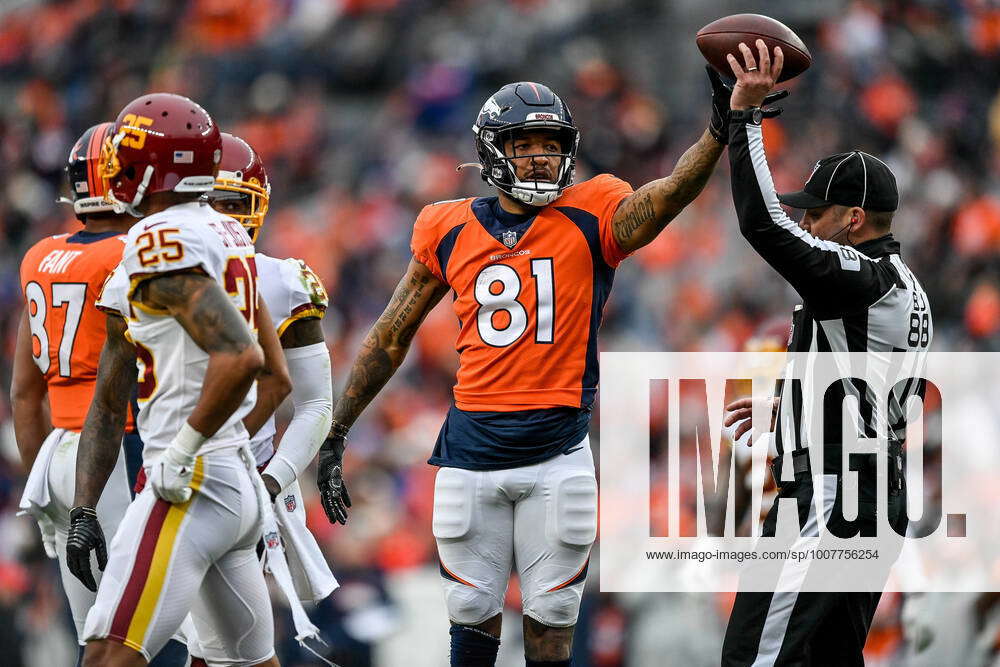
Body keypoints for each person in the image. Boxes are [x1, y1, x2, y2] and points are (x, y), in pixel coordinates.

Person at [316, 78, 782, 667]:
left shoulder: (592, 211)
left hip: (556, 453)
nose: (540, 155)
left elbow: (667, 196)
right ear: (492, 150)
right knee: (471, 626)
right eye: (525, 142)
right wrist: (339, 429)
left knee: (552, 630)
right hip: (470, 455)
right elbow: (390, 334)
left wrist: (719, 129)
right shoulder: (448, 226)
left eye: (550, 142)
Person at [719, 41, 932, 666]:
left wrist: (745, 118)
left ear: (855, 219)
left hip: (837, 491)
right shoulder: (905, 289)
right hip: (875, 489)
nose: (809, 223)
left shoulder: (862, 279)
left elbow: (762, 224)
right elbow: (887, 395)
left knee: (754, 657)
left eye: (820, 213)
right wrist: (792, 414)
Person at [63, 92, 283, 667]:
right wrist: (87, 507)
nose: (115, 169)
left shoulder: (157, 241)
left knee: (107, 653)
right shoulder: (229, 233)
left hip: (189, 480)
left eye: (126, 155)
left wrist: (183, 452)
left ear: (153, 165)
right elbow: (273, 369)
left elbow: (241, 357)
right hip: (235, 476)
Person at [12, 122, 146, 654]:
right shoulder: (132, 254)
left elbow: (24, 392)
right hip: (119, 450)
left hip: (60, 456)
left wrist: (42, 477)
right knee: (140, 636)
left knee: (92, 635)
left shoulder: (39, 255)